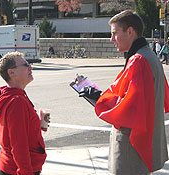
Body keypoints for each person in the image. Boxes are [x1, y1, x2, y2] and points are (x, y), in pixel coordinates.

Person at [79, 10, 169, 175]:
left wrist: (98, 99)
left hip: (131, 146)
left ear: (130, 31)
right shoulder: (150, 56)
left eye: (114, 33)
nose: (111, 39)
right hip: (144, 140)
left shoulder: (138, 60)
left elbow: (129, 108)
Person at [0, 51, 48, 175]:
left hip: (10, 165)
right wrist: (26, 172)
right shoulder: (16, 101)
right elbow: (18, 144)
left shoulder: (10, 96)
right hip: (18, 169)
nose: (30, 67)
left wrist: (38, 123)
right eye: (25, 65)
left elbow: (15, 131)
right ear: (11, 72)